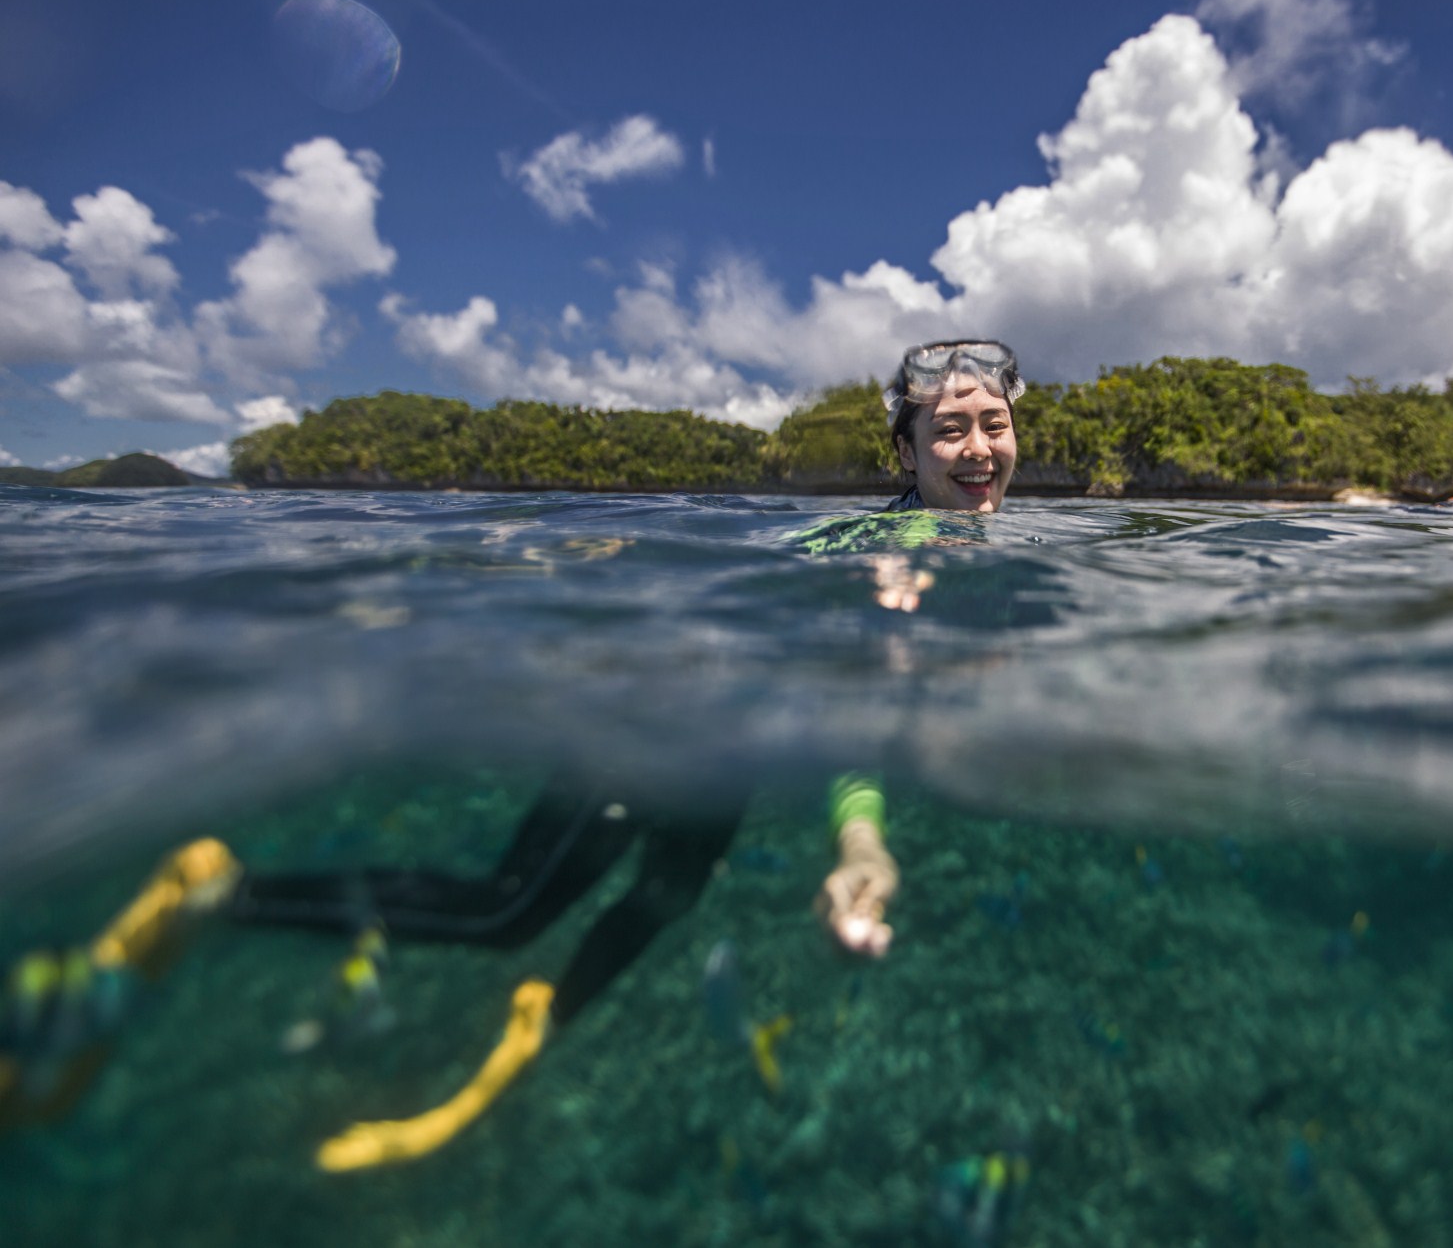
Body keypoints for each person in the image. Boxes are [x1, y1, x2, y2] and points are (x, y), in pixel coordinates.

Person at [1, 338, 1029, 1168]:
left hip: (736, 756)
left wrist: (861, 835)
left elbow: (852, 711)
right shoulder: (864, 552)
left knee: (662, 901)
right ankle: (216, 889)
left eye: (993, 423)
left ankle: (519, 1044)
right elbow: (829, 682)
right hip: (668, 727)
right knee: (505, 909)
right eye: (949, 430)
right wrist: (861, 841)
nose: (977, 447)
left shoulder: (991, 551)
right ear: (905, 453)